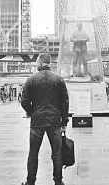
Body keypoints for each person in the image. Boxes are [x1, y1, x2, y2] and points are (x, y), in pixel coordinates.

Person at [21, 53, 69, 185]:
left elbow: (24, 101)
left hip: (37, 121)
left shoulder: (31, 79)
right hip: (54, 121)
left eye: (37, 62)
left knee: (33, 153)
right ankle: (58, 181)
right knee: (57, 153)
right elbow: (64, 102)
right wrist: (64, 121)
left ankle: (30, 181)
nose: (36, 64)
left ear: (41, 63)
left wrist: (32, 112)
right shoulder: (59, 80)